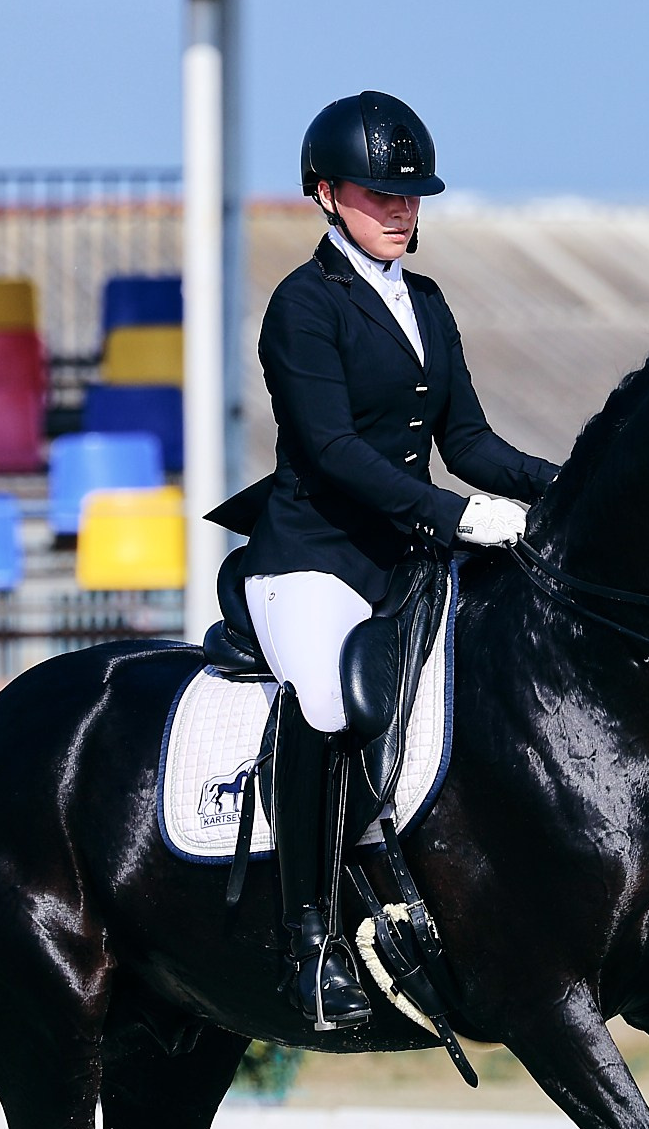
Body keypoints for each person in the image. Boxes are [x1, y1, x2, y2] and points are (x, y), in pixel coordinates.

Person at [235, 89, 559, 1030]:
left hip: (409, 559)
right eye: (380, 194)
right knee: (331, 702)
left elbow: (474, 442)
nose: (400, 209)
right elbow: (335, 454)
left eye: (411, 194)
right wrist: (462, 519)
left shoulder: (426, 301)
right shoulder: (302, 307)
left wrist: (570, 485)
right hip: (315, 557)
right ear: (329, 194)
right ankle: (308, 942)